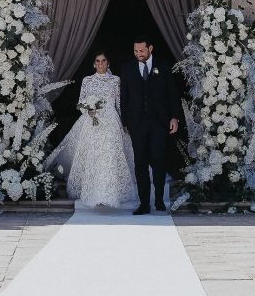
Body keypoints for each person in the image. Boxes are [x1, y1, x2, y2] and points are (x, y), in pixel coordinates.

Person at [49, 52, 139, 209]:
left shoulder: (115, 80)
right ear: (94, 64)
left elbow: (119, 103)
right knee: (93, 154)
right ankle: (93, 192)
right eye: (97, 61)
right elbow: (80, 103)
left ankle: (109, 192)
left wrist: (123, 123)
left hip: (111, 120)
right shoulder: (87, 80)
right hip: (91, 121)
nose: (101, 64)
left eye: (103, 61)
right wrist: (88, 109)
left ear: (108, 63)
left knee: (109, 154)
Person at [119, 39, 180, 215]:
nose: (139, 54)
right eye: (136, 51)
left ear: (150, 48)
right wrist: (125, 122)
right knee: (140, 163)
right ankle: (144, 203)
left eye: (142, 51)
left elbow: (172, 94)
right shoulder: (127, 69)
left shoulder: (164, 66)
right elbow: (124, 98)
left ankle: (159, 200)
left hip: (159, 123)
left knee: (159, 160)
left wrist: (174, 117)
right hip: (137, 124)